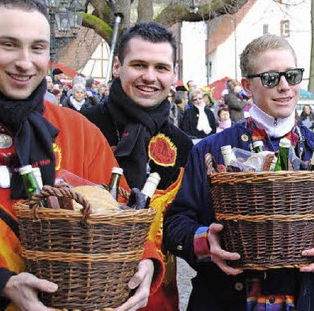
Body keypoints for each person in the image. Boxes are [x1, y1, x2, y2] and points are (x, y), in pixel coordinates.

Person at [0, 1, 164, 310]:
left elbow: (123, 214)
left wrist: (146, 261)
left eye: (37, 48)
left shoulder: (79, 130)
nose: (25, 62)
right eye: (9, 45)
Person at [163, 34, 314, 310]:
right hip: (225, 298)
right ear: (247, 86)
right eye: (271, 78)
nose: (285, 87)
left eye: (292, 76)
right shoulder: (208, 150)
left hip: (306, 299)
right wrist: (205, 242)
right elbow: (175, 226)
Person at [81, 21, 193, 311]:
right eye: (139, 65)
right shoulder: (79, 127)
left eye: (161, 67)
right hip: (83, 296)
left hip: (158, 299)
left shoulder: (182, 144)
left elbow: (184, 223)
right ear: (117, 66)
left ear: (174, 75)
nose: (150, 77)